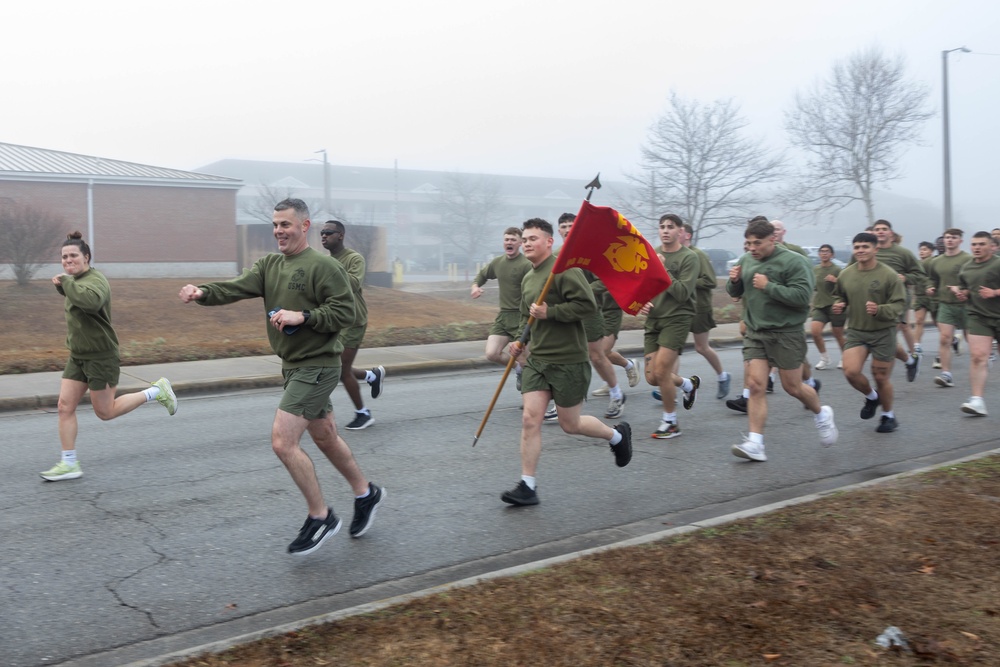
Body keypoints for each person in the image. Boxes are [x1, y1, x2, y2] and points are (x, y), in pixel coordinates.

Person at [178, 198, 384, 555]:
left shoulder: (324, 267)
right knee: (326, 437)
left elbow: (345, 312)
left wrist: (303, 316)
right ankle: (367, 493)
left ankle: (321, 518)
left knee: (282, 441)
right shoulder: (269, 265)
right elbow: (235, 287)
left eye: (285, 225)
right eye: (275, 225)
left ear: (304, 226)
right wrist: (203, 293)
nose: (278, 231)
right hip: (292, 365)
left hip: (318, 365)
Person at [501, 218, 632, 506]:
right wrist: (519, 340)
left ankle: (617, 437)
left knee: (570, 425)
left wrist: (553, 312)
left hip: (569, 361)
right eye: (524, 239)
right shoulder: (528, 278)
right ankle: (528, 485)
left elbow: (588, 306)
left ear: (549, 242)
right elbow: (526, 316)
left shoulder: (565, 271)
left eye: (532, 239)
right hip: (539, 362)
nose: (526, 244)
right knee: (529, 418)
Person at [39, 232, 178, 482]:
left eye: (73, 256)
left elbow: (91, 302)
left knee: (105, 412)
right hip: (78, 356)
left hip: (101, 356)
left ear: (87, 257)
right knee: (64, 407)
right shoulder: (76, 280)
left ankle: (157, 391)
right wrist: (64, 287)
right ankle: (69, 463)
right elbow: (80, 303)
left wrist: (66, 284)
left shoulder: (96, 279)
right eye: (63, 257)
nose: (67, 260)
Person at [726, 219, 837, 462]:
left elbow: (801, 297)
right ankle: (756, 444)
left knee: (792, 387)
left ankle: (821, 414)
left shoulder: (794, 261)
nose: (752, 248)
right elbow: (736, 293)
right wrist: (734, 282)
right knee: (755, 385)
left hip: (786, 332)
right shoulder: (746, 260)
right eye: (748, 243)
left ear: (773, 240)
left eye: (758, 243)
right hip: (756, 333)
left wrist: (769, 286)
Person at [556, 212, 638, 420]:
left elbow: (605, 280)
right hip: (566, 314)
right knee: (564, 358)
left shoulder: (590, 253)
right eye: (563, 226)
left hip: (590, 312)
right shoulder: (557, 254)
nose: (567, 229)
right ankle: (563, 403)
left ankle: (617, 394)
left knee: (597, 356)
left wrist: (583, 292)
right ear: (558, 230)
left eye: (571, 225)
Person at [832, 233, 907, 433]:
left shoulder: (888, 275)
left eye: (865, 246)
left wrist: (880, 310)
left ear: (875, 249)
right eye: (857, 247)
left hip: (883, 331)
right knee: (850, 371)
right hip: (857, 331)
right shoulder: (846, 274)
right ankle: (873, 397)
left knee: (881, 376)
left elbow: (900, 304)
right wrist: (839, 304)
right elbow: (839, 295)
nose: (860, 250)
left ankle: (888, 416)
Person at [321, 219, 386, 430]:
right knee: (338, 366)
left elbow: (353, 284)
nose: (323, 236)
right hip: (335, 320)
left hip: (353, 320)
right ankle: (371, 375)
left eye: (328, 232)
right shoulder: (325, 261)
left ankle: (363, 414)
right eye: (322, 232)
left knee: (340, 369)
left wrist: (329, 271)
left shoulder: (353, 258)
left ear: (340, 235)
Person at [640, 214, 701, 439]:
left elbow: (683, 293)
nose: (665, 230)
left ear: (680, 231)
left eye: (670, 227)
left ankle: (670, 422)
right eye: (662, 227)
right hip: (654, 318)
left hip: (677, 317)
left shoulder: (689, 258)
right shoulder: (651, 254)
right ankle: (687, 384)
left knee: (662, 372)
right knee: (652, 377)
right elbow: (643, 285)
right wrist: (642, 302)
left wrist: (662, 269)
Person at [861, 220, 924, 382]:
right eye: (877, 229)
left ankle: (884, 379)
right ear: (872, 233)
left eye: (884, 229)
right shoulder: (867, 251)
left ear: (891, 233)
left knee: (889, 333)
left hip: (897, 298)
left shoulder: (903, 253)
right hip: (872, 300)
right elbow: (851, 272)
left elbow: (919, 274)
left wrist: (905, 277)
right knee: (885, 336)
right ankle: (910, 360)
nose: (880, 232)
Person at [471, 227, 533, 390]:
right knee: (492, 353)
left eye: (513, 240)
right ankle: (517, 369)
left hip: (521, 317)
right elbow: (482, 275)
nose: (509, 242)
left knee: (524, 359)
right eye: (506, 239)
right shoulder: (498, 263)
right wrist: (475, 286)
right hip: (503, 316)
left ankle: (531, 397)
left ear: (520, 243)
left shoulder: (526, 264)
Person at [682, 223, 732, 399]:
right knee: (672, 348)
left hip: (699, 308)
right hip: (680, 308)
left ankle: (723, 376)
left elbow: (711, 281)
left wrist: (688, 282)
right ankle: (669, 388)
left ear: (687, 235)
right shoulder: (674, 255)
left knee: (701, 347)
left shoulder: (698, 255)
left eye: (677, 230)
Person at [956, 231, 1000, 416]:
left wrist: (995, 292)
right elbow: (966, 289)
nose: (977, 247)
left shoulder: (998, 263)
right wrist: (962, 294)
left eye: (982, 244)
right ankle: (977, 400)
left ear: (992, 246)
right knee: (978, 356)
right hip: (978, 316)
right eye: (974, 244)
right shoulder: (966, 268)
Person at [926, 228, 971, 388]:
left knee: (971, 340)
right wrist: (931, 287)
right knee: (944, 338)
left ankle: (980, 365)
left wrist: (963, 290)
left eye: (953, 237)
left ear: (960, 240)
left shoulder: (968, 259)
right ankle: (946, 374)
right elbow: (932, 279)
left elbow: (974, 281)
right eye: (947, 237)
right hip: (945, 304)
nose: (950, 240)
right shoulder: (936, 261)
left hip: (967, 305)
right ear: (943, 240)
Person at [810, 244, 847, 371]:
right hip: (820, 305)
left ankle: (845, 357)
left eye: (827, 251)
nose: (824, 254)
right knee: (815, 332)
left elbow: (846, 287)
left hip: (835, 305)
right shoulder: (815, 269)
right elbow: (814, 286)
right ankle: (824, 358)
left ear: (832, 255)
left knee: (838, 334)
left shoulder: (837, 270)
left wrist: (836, 280)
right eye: (822, 251)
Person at [912, 241, 939, 354]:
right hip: (919, 296)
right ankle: (916, 345)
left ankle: (952, 339)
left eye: (925, 250)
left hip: (932, 296)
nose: (922, 252)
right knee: (919, 320)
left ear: (931, 252)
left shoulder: (934, 262)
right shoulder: (916, 264)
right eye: (921, 250)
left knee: (937, 322)